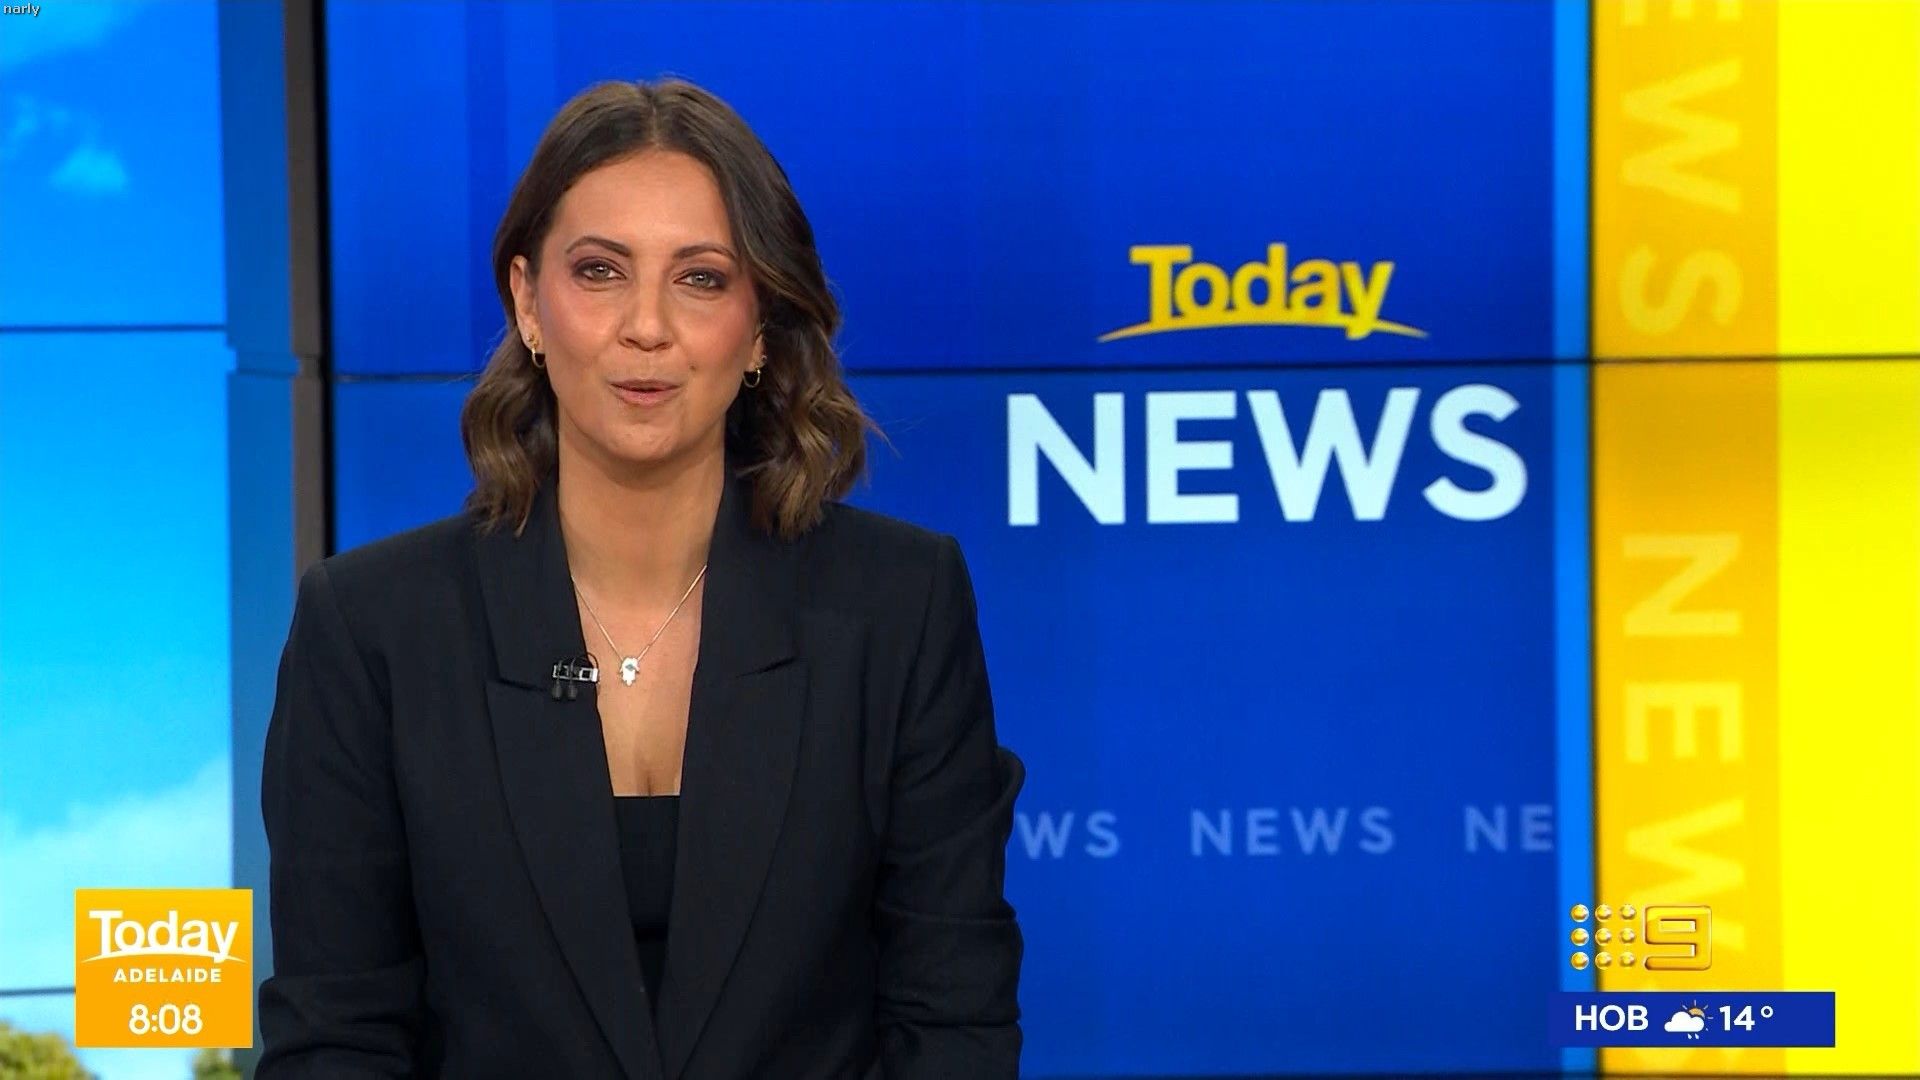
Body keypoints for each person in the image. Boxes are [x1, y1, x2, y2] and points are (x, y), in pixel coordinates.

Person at [256, 77, 1024, 1079]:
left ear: (759, 323)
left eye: (700, 278)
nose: (647, 326)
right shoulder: (372, 630)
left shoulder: (899, 606)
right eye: (600, 271)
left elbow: (952, 1025)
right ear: (528, 302)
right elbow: (335, 1042)